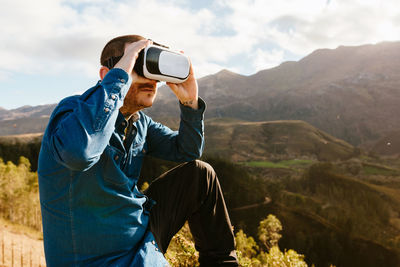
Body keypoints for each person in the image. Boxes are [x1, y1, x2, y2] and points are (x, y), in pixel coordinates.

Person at [38, 35, 238, 266]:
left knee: (200, 174)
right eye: (137, 65)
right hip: (98, 258)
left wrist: (189, 102)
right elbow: (79, 154)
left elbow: (187, 150)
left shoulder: (140, 122)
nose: (150, 79)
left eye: (152, 68)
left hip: (141, 235)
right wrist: (119, 80)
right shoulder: (74, 111)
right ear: (107, 74)